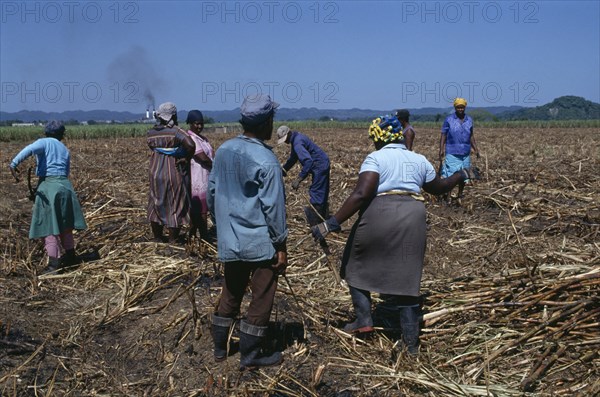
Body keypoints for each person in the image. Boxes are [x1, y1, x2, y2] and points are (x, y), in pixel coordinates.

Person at [311, 116, 473, 355]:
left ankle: (364, 320)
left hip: (380, 214)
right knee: (407, 278)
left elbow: (361, 194)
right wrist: (460, 175)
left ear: (377, 139)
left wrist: (332, 222)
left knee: (354, 264)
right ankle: (411, 345)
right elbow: (438, 188)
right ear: (399, 135)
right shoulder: (418, 160)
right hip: (413, 218)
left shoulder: (376, 158)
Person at [207, 94, 288, 370]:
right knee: (262, 293)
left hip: (230, 238)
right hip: (259, 242)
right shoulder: (267, 161)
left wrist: (221, 225)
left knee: (231, 289)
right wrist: (281, 245)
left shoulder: (223, 150)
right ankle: (251, 355)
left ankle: (220, 348)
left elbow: (212, 193)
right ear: (267, 123)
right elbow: (274, 209)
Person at [9, 121, 87, 274]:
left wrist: (13, 164)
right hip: (65, 186)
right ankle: (71, 257)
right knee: (65, 225)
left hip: (49, 186)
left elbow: (28, 150)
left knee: (48, 226)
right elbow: (65, 170)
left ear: (46, 132)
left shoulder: (43, 142)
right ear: (61, 135)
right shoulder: (64, 149)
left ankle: (53, 265)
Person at [147, 102, 196, 244]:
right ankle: (172, 239)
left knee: (156, 201)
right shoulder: (176, 131)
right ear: (173, 115)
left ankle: (157, 237)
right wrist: (185, 158)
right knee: (175, 202)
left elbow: (153, 147)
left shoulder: (151, 133)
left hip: (155, 171)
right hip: (172, 171)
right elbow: (191, 145)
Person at [276, 125, 331, 226]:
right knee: (321, 192)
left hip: (319, 165)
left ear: (288, 134)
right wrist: (284, 169)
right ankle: (323, 217)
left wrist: (299, 179)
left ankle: (317, 222)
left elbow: (308, 162)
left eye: (285, 139)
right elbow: (293, 158)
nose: (285, 142)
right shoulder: (296, 138)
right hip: (322, 163)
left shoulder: (297, 143)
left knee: (317, 192)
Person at [439, 98, 480, 201]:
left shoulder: (469, 120)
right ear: (455, 108)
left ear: (465, 107)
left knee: (464, 175)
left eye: (462, 107)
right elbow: (443, 134)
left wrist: (476, 149)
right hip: (452, 151)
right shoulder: (449, 120)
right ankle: (448, 196)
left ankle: (460, 194)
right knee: (451, 175)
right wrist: (441, 149)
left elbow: (471, 135)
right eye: (458, 107)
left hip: (465, 152)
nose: (460, 109)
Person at [184, 110, 214, 240]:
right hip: (197, 178)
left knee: (201, 209)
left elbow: (211, 155)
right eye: (197, 124)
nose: (200, 126)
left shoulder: (203, 139)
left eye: (201, 124)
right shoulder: (191, 139)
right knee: (199, 210)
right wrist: (216, 167)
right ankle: (203, 237)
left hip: (205, 176)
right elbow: (203, 158)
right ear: (190, 123)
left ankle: (195, 236)